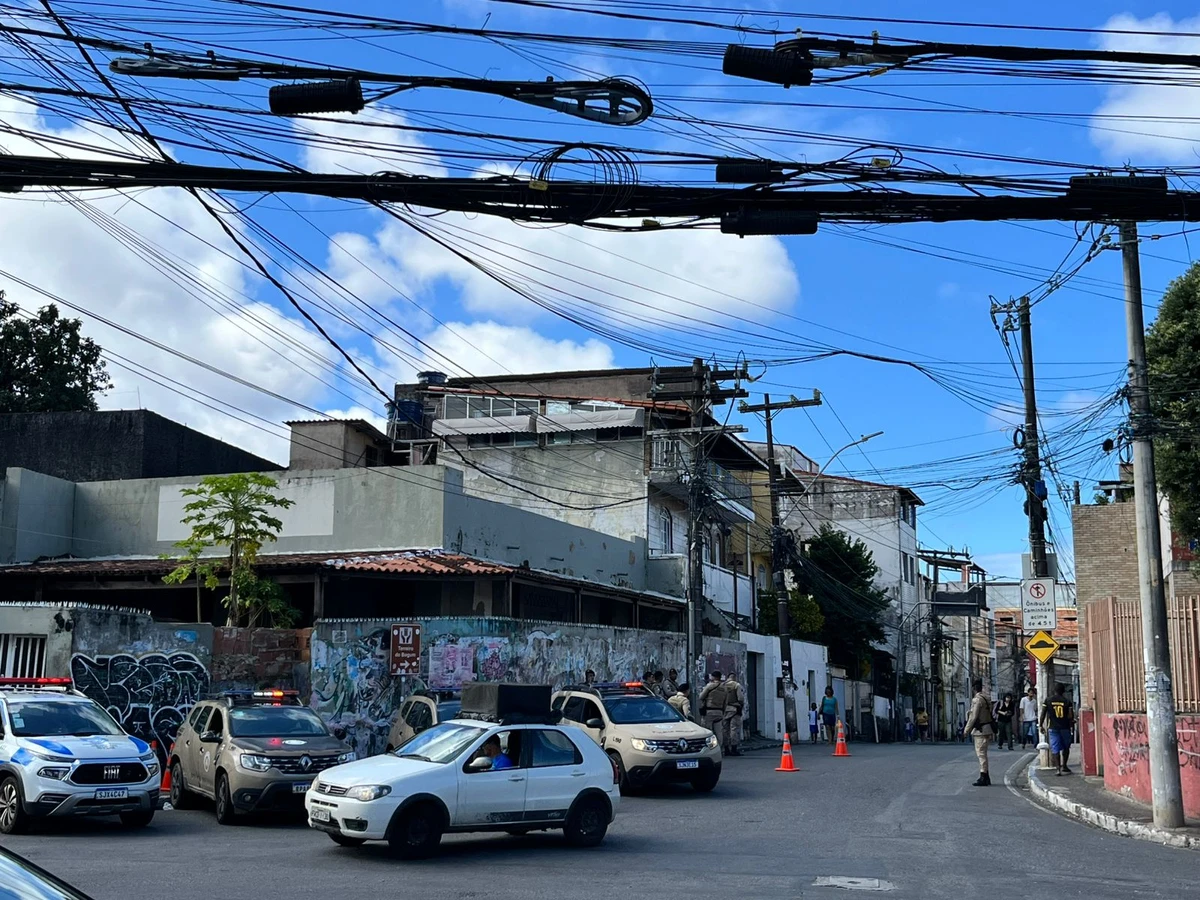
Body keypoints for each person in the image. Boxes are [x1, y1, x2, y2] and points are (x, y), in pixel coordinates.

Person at [963, 678, 995, 786]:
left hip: (980, 729)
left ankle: (983, 777)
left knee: (981, 754)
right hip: (987, 728)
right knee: (984, 754)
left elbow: (973, 716)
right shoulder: (987, 698)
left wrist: (966, 730)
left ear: (973, 689)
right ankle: (986, 776)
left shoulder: (977, 700)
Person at [1041, 683, 1076, 775]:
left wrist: (1040, 725)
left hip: (1053, 727)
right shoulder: (1067, 701)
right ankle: (1064, 765)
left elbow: (1043, 713)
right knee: (1066, 747)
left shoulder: (1048, 700)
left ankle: (1057, 769)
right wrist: (1072, 724)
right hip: (1065, 727)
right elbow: (1070, 716)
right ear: (1063, 691)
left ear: (1054, 691)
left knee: (1055, 747)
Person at [699, 671, 728, 751]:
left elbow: (701, 697)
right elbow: (726, 702)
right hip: (719, 712)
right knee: (719, 732)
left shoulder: (710, 686)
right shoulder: (724, 688)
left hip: (709, 711)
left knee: (708, 731)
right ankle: (719, 749)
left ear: (713, 677)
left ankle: (709, 749)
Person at [722, 671, 745, 756]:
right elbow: (740, 698)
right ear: (734, 677)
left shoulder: (722, 685)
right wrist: (740, 704)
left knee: (725, 730)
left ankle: (726, 749)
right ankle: (734, 748)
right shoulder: (736, 685)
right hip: (735, 709)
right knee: (734, 729)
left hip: (724, 709)